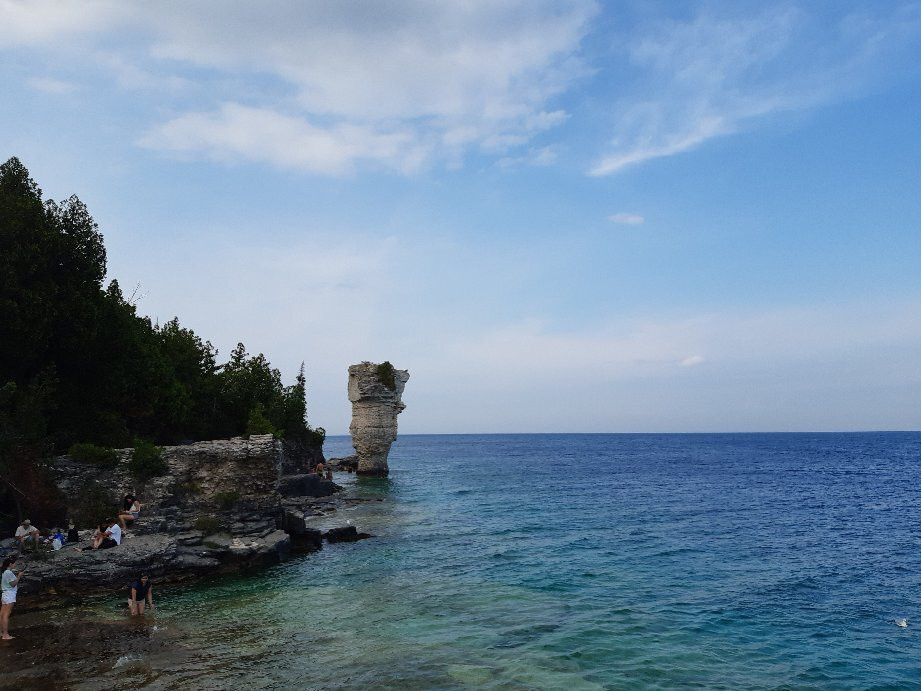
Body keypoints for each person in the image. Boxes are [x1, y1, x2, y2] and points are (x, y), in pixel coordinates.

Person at [1, 555, 25, 640]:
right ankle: (5, 635)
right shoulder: (8, 573)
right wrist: (19, 576)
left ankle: (1, 632)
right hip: (9, 595)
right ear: (10, 564)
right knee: (6, 614)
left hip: (5, 594)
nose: (15, 565)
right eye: (14, 563)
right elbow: (13, 584)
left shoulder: (5, 572)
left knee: (2, 613)